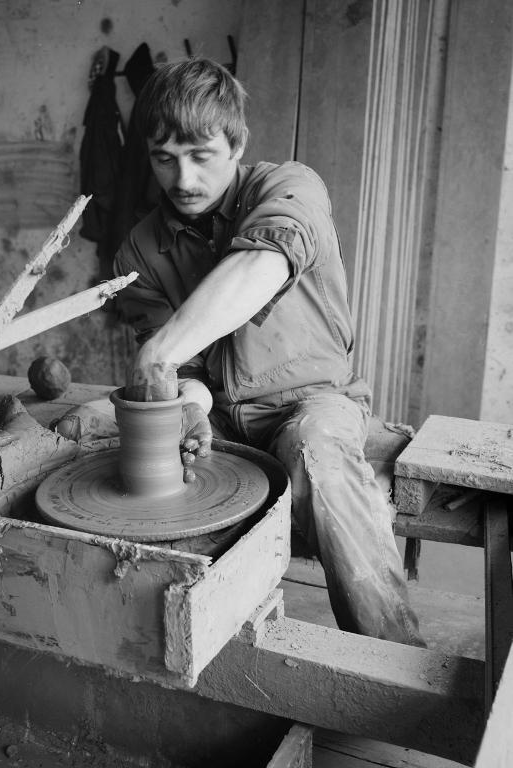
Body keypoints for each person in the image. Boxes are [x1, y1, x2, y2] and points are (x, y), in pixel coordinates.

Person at [112, 56, 424, 646]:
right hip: (228, 418)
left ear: (236, 145)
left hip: (314, 403)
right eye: (164, 159)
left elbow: (267, 258)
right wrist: (191, 404)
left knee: (316, 456)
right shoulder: (139, 251)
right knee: (135, 478)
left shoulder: (289, 187)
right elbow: (194, 373)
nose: (182, 179)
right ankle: (202, 655)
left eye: (201, 155)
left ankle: (395, 656)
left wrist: (160, 351)